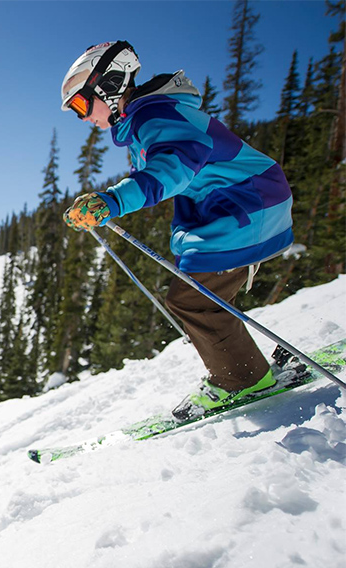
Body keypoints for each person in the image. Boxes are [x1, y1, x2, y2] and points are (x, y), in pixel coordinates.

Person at [59, 40, 295, 420]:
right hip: (236, 205)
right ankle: (242, 368)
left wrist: (111, 201)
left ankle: (244, 380)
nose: (82, 117)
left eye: (81, 105)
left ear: (110, 85)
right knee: (197, 294)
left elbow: (170, 170)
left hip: (248, 204)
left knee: (193, 299)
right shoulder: (148, 119)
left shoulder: (157, 116)